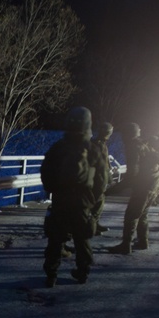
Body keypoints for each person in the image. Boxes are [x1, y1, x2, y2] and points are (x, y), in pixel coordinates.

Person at [40, 106, 99, 287]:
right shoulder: (93, 149)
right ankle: (82, 273)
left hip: (61, 199)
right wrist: (92, 199)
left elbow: (46, 172)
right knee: (82, 239)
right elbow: (102, 179)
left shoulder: (59, 147)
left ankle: (51, 274)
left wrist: (53, 190)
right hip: (82, 202)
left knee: (56, 239)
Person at [108, 123, 159, 255]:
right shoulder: (144, 144)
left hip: (145, 185)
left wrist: (112, 190)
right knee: (142, 213)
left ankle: (126, 245)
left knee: (132, 215)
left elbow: (132, 174)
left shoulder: (133, 147)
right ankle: (143, 241)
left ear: (127, 134)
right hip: (155, 182)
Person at [90, 122, 114, 235]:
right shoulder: (96, 144)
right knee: (96, 203)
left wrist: (109, 178)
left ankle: (95, 224)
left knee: (99, 203)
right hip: (97, 179)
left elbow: (106, 163)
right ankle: (91, 227)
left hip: (101, 178)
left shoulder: (102, 144)